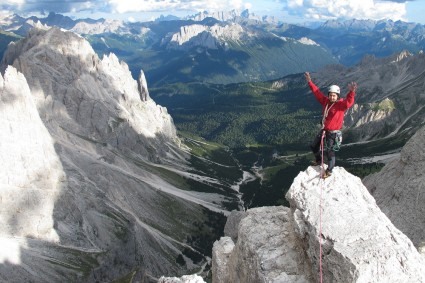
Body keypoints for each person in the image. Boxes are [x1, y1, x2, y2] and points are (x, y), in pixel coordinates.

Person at [304, 72, 357, 178]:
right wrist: (310, 82)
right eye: (330, 95)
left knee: (330, 152)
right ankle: (319, 160)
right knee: (314, 146)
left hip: (333, 133)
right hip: (325, 130)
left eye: (334, 95)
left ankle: (329, 171)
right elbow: (317, 92)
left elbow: (349, 103)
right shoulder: (326, 101)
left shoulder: (341, 105)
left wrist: (352, 92)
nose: (332, 97)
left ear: (337, 96)